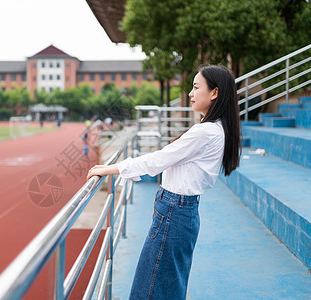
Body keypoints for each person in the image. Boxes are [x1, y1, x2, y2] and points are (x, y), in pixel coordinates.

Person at [87, 65, 241, 299]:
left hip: (174, 213)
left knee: (148, 290)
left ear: (214, 93)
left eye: (196, 87)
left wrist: (113, 168)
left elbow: (158, 160)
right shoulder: (215, 129)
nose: (190, 93)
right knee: (168, 288)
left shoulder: (205, 132)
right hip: (181, 212)